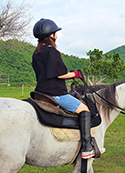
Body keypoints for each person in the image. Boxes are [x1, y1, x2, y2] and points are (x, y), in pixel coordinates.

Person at [32, 18, 105, 159]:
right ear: (51, 35)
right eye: (55, 33)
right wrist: (75, 74)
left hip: (40, 92)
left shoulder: (37, 53)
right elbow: (59, 75)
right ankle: (87, 147)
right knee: (85, 110)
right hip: (55, 93)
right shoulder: (51, 51)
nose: (57, 36)